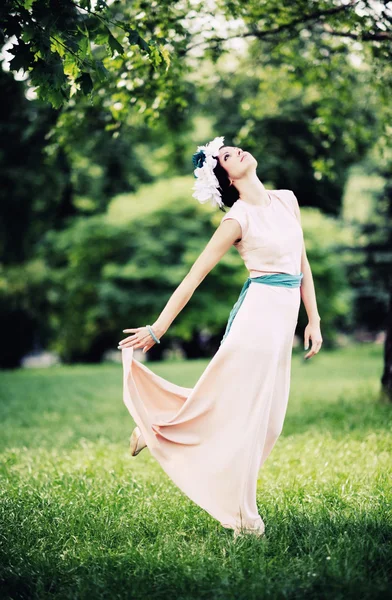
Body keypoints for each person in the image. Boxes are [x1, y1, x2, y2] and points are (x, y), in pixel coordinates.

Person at [118, 136, 323, 539]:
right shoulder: (238, 219)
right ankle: (244, 519)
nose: (238, 152)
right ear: (226, 179)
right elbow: (194, 276)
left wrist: (313, 319)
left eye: (234, 149)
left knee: (269, 425)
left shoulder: (287, 200)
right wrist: (157, 329)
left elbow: (302, 263)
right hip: (257, 320)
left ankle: (158, 426)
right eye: (227, 156)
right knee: (245, 417)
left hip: (283, 321)